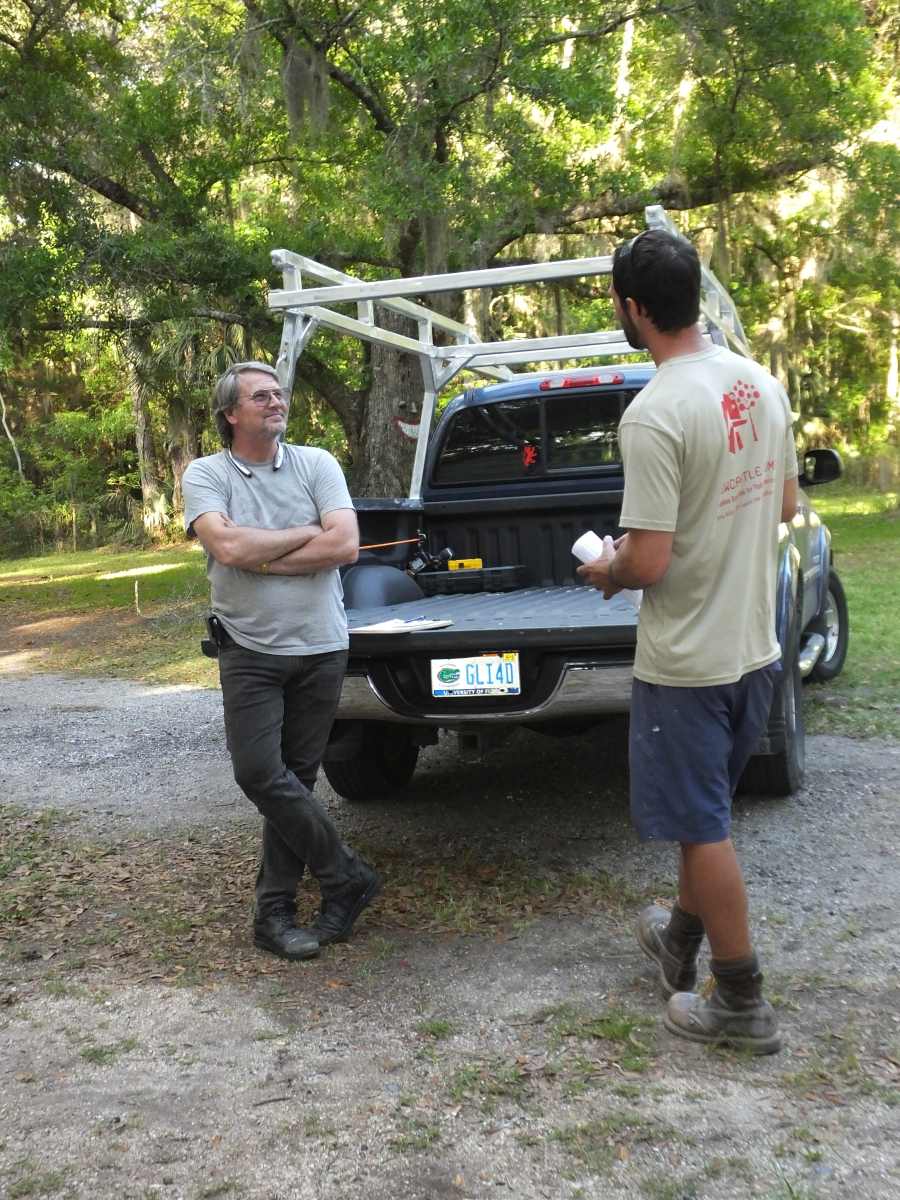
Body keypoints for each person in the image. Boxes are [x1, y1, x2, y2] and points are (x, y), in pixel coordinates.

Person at [577, 229, 798, 1054]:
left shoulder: (656, 411)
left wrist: (607, 569)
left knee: (705, 829)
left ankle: (739, 1000)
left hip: (688, 663)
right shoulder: (759, 383)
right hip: (754, 650)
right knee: (700, 815)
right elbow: (779, 507)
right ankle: (678, 942)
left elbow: (650, 559)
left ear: (634, 310)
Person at [182, 361, 381, 962]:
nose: (275, 402)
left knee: (295, 782)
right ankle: (345, 873)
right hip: (248, 649)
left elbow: (344, 545)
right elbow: (227, 546)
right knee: (258, 773)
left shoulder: (316, 463)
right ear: (230, 414)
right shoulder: (206, 473)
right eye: (260, 396)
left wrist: (260, 554)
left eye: (278, 393)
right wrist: (303, 534)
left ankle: (275, 913)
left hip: (321, 645)